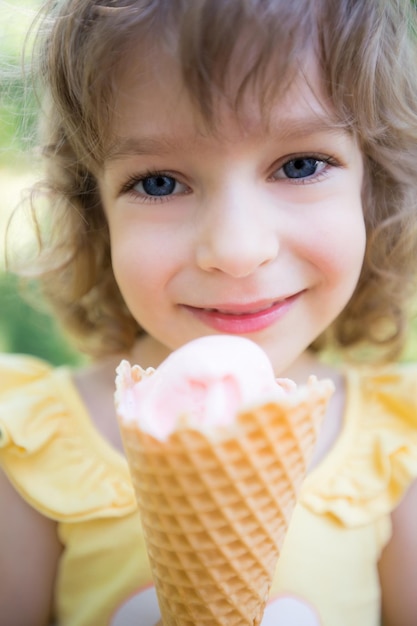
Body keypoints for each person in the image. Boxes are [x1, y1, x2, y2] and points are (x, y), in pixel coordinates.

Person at [1, 0, 417, 624]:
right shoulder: (36, 449)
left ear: (373, 186)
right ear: (97, 216)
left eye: (300, 165)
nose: (236, 250)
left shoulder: (396, 448)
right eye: (160, 182)